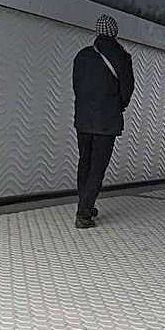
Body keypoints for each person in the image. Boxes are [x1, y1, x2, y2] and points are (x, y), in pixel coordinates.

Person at [72, 14, 134, 228]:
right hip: (107, 120)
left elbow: (76, 86)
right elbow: (127, 89)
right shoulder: (122, 57)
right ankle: (84, 213)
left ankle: (85, 203)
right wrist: (118, 106)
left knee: (85, 161)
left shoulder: (83, 55)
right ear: (115, 32)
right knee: (98, 166)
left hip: (83, 118)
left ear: (97, 32)